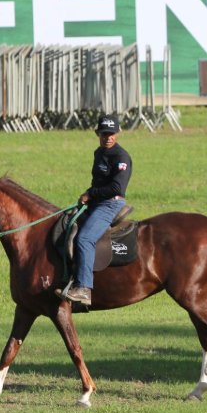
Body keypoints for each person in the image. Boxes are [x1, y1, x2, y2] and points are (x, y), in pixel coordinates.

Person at [62, 114, 132, 305]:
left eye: (111, 133)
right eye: (104, 134)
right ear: (97, 133)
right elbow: (98, 182)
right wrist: (88, 194)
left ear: (118, 133)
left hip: (110, 204)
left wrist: (91, 193)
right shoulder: (99, 153)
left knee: (85, 238)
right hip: (96, 201)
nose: (108, 137)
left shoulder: (121, 157)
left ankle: (84, 288)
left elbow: (117, 188)